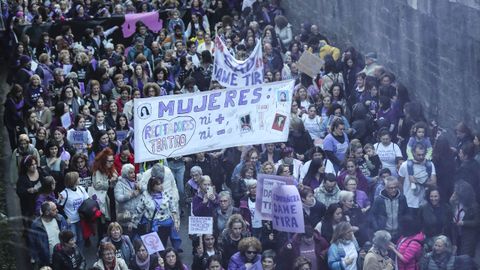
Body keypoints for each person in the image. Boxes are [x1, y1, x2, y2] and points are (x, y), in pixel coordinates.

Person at [135, 174, 180, 248]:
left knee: (162, 245)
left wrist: (176, 221)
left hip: (164, 225)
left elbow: (173, 209)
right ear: (153, 186)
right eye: (158, 184)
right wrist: (133, 222)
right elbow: (139, 209)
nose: (161, 185)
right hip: (150, 224)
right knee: (152, 247)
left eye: (161, 183)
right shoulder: (145, 195)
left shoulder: (167, 194)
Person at [398, 143, 437, 214]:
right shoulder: (405, 165)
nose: (421, 157)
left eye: (423, 154)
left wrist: (417, 181)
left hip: (424, 202)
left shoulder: (430, 164)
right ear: (413, 153)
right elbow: (400, 182)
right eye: (419, 155)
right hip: (409, 203)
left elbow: (434, 183)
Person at [29, 201, 69, 268]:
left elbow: (67, 234)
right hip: (48, 261)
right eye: (54, 210)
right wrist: (35, 259)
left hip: (63, 257)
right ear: (47, 213)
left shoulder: (60, 219)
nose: (57, 211)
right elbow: (33, 244)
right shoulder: (36, 226)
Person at [58, 171, 89, 251]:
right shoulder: (64, 194)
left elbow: (87, 201)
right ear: (73, 180)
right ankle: (72, 254)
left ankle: (79, 254)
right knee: (72, 240)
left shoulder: (81, 189)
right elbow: (59, 207)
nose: (79, 179)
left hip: (80, 219)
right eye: (77, 178)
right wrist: (65, 217)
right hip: (70, 221)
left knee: (81, 238)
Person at [450, 180, 479, 257]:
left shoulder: (474, 206)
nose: (455, 194)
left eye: (457, 192)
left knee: (465, 257)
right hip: (456, 235)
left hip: (468, 236)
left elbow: (477, 222)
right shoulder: (455, 203)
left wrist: (463, 223)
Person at [114, 164, 142, 237]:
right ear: (126, 174)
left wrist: (140, 187)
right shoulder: (119, 184)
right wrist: (131, 195)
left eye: (133, 172)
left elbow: (146, 192)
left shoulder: (138, 181)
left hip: (138, 217)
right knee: (129, 239)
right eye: (130, 173)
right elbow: (118, 198)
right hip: (127, 217)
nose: (133, 174)